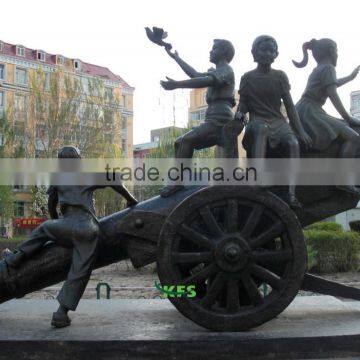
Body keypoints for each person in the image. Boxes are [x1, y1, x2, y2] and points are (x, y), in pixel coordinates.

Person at [3, 146, 138, 328]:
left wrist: (58, 226)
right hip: (89, 228)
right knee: (80, 271)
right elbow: (114, 179)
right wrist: (131, 200)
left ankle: (14, 259)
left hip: (68, 225)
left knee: (44, 228)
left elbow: (52, 205)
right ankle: (61, 313)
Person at [160, 39, 244, 196]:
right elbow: (195, 75)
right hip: (212, 119)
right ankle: (178, 181)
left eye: (214, 48)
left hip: (220, 121)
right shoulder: (219, 71)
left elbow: (205, 80)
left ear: (224, 53)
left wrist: (177, 84)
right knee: (179, 142)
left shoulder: (227, 70)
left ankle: (178, 183)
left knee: (186, 140)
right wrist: (176, 57)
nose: (211, 51)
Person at [236, 35, 312, 208]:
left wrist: (300, 131)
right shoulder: (247, 77)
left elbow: (290, 107)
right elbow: (243, 104)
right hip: (257, 122)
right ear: (254, 52)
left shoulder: (280, 76)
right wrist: (239, 114)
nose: (268, 54)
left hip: (279, 123)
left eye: (272, 50)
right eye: (264, 50)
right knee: (262, 129)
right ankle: (259, 177)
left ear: (276, 54)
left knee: (293, 143)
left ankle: (291, 194)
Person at [293, 38, 360, 193]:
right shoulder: (328, 68)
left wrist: (350, 78)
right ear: (331, 52)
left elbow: (331, 83)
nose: (337, 54)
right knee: (355, 138)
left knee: (346, 127)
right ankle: (343, 180)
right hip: (311, 112)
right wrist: (348, 117)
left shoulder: (321, 68)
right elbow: (333, 94)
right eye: (336, 51)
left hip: (305, 109)